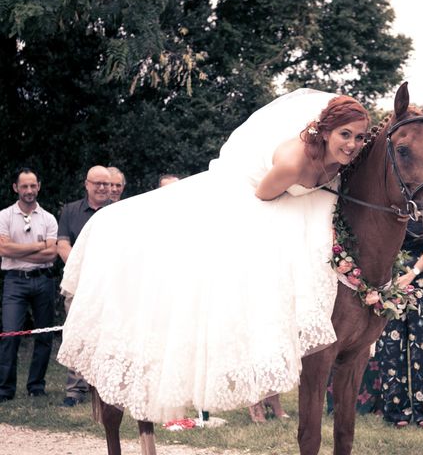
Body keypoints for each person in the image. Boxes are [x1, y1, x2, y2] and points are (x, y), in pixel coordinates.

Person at [56, 89, 369, 422]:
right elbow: (264, 196)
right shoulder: (294, 163)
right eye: (344, 134)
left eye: (359, 137)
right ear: (324, 132)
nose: (351, 144)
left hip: (297, 201)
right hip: (257, 200)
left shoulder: (349, 158)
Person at [376, 219, 423, 428]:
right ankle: (396, 410)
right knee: (390, 346)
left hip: (421, 278)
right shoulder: (389, 201)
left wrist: (413, 273)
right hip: (390, 278)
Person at [0, 168, 58, 403]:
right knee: (10, 334)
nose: (29, 190)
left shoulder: (48, 218)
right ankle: (5, 389)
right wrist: (37, 247)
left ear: (39, 187)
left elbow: (52, 253)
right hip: (15, 282)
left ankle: (36, 386)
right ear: (16, 188)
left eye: (33, 186)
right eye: (24, 186)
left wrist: (18, 250)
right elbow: (3, 250)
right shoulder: (4, 216)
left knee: (44, 335)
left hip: (44, 280)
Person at [57, 165, 112, 407]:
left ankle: (105, 389)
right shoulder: (70, 211)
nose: (102, 188)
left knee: (108, 336)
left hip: (109, 287)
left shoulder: (119, 212)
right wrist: (82, 271)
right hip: (79, 284)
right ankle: (75, 390)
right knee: (77, 335)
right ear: (86, 184)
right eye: (97, 183)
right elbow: (62, 245)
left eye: (106, 184)